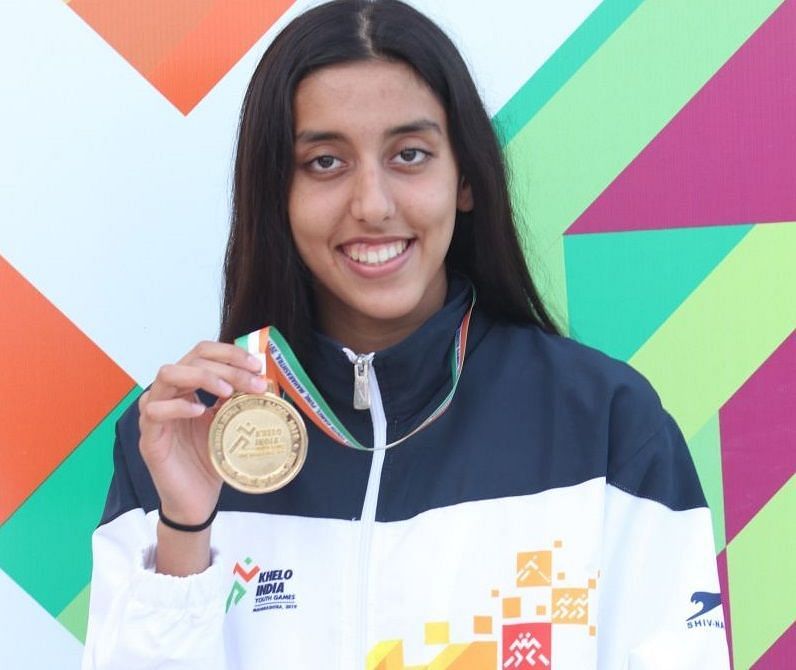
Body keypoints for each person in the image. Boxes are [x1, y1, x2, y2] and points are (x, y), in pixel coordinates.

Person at [82, 1, 730, 668]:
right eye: (325, 163)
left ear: (466, 178)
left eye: (410, 155)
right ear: (277, 192)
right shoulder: (180, 438)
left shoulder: (605, 424)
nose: (372, 204)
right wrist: (185, 530)